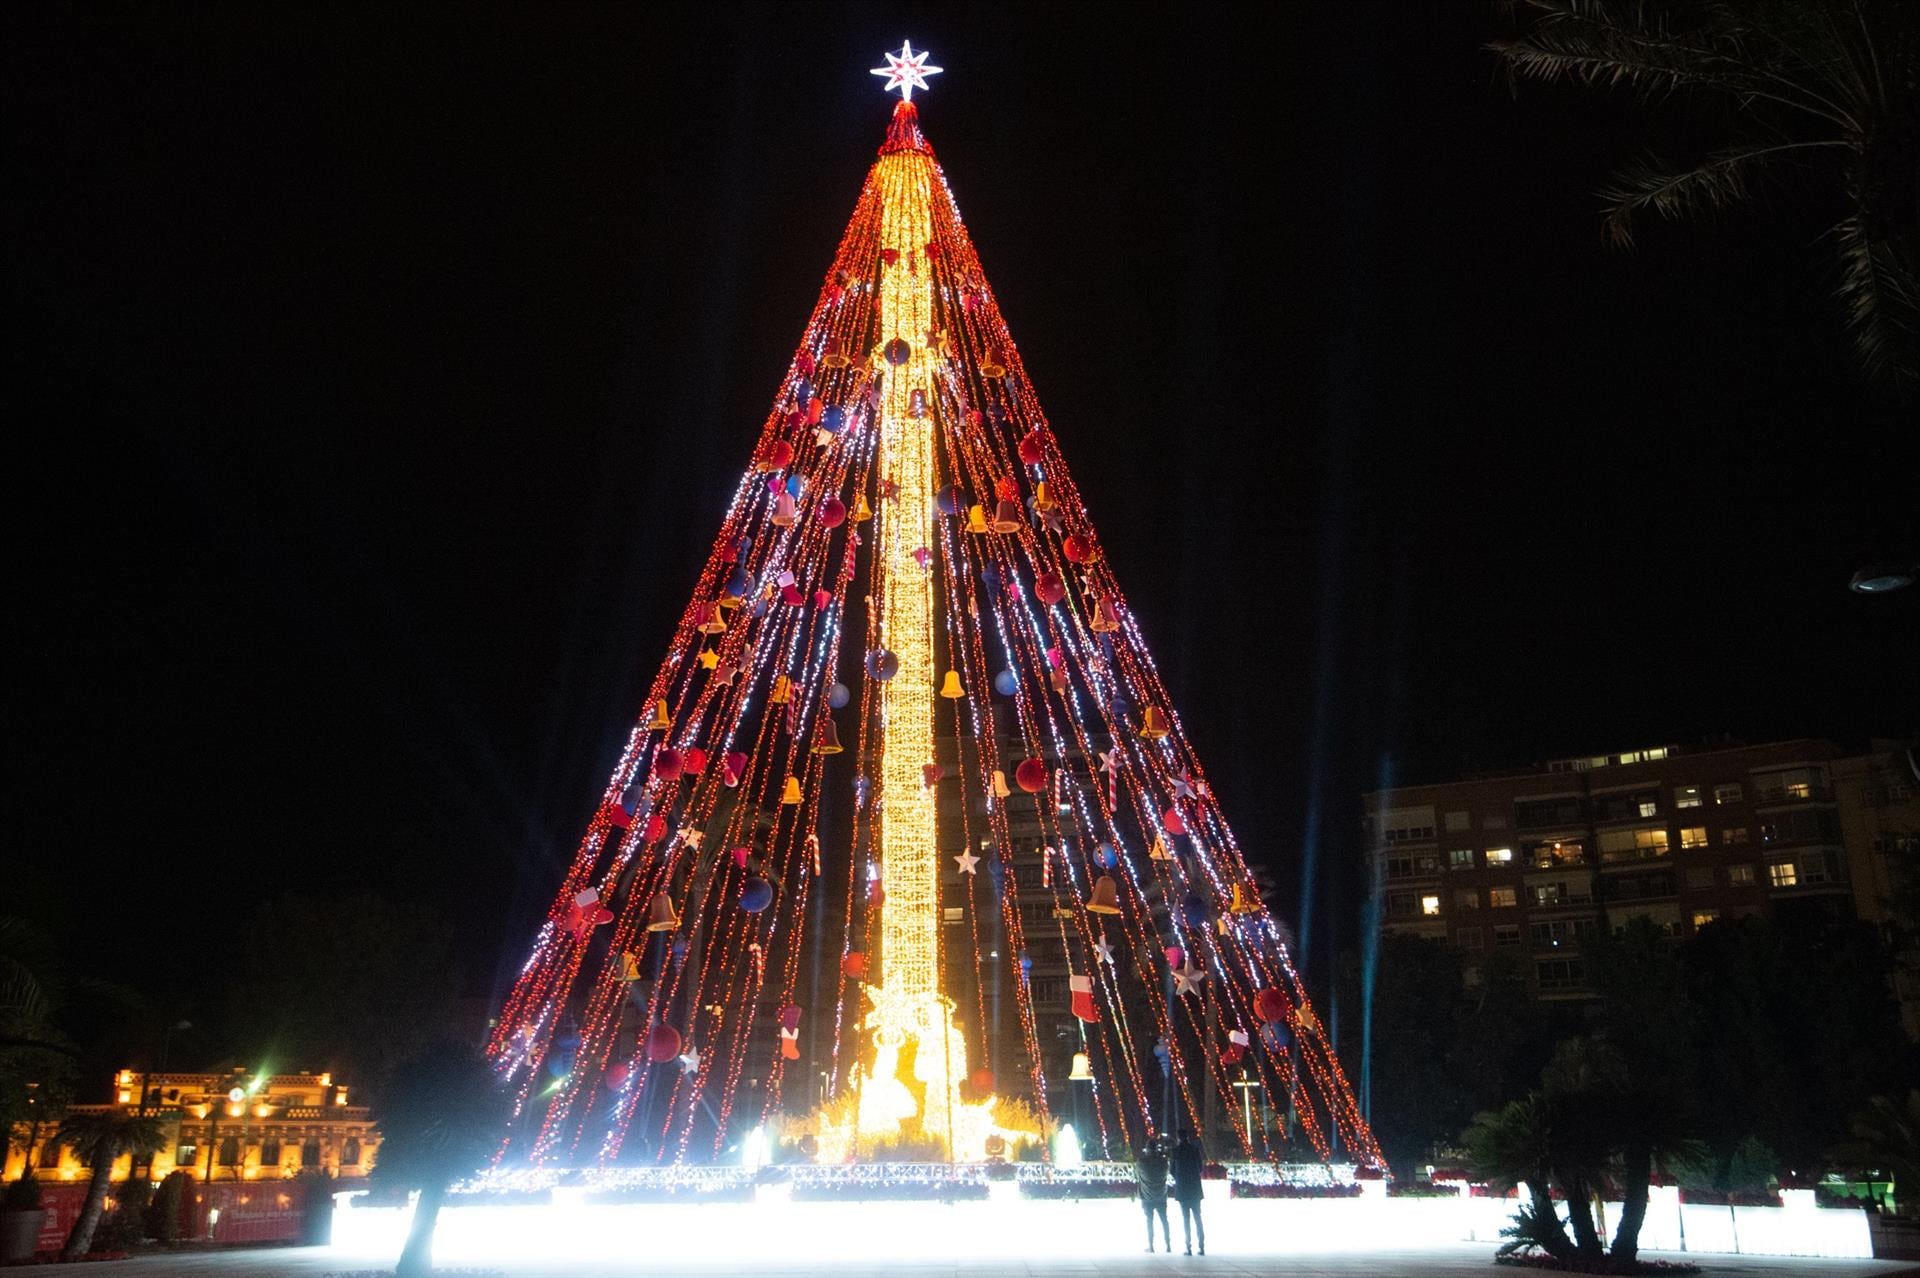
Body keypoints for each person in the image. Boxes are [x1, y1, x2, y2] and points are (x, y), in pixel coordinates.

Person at [1169, 1128, 1205, 1256]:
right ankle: (1201, 1246)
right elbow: (1200, 1167)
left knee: (1186, 1219)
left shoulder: (1176, 1151)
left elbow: (1171, 1170)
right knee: (1197, 1217)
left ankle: (1188, 1246)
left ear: (1178, 1137)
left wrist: (1180, 1178)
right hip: (1194, 1188)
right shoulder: (1194, 1150)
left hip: (1183, 1189)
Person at [1133, 1137, 1171, 1253]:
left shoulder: (1141, 1162)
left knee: (1149, 1221)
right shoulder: (1163, 1162)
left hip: (1147, 1196)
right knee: (1164, 1220)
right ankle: (1168, 1244)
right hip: (1161, 1195)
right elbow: (1167, 1171)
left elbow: (1136, 1175)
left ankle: (1151, 1245)